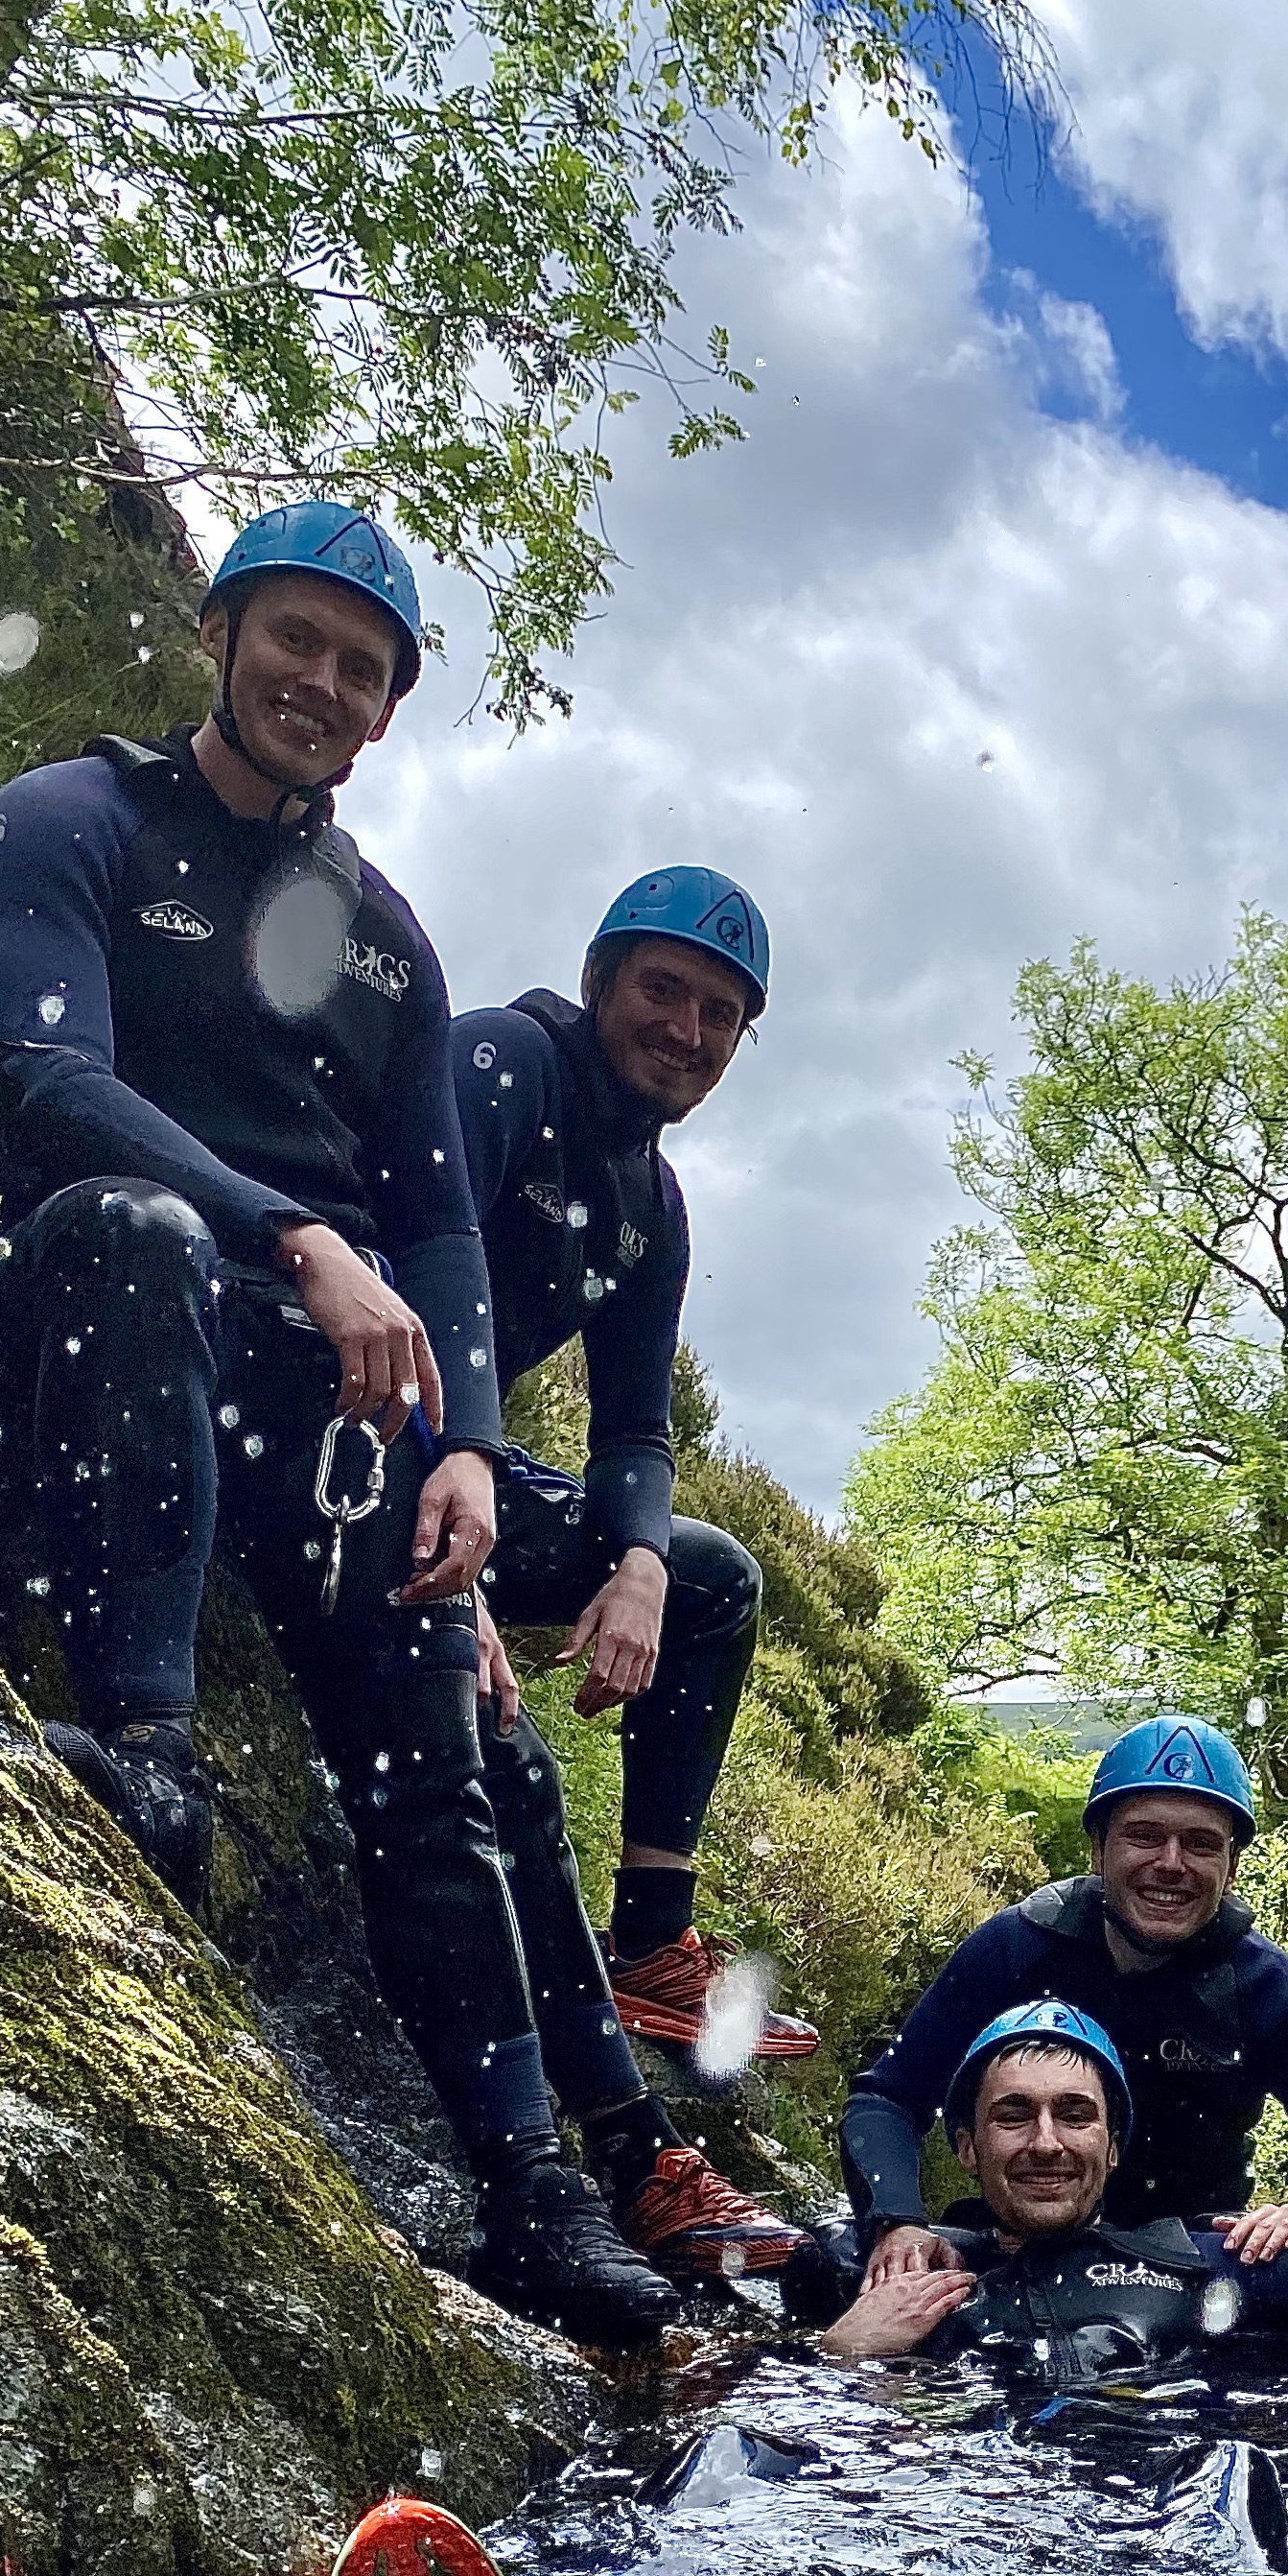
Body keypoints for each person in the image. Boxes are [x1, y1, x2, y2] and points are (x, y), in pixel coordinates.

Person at [0, 498, 772, 2346]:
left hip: (323, 1391)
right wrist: (291, 1232)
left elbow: (439, 1227)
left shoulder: (385, 948)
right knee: (148, 1232)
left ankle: (533, 2189)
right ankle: (144, 1741)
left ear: (389, 710)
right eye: (298, 641)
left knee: (444, 1764)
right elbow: (46, 1082)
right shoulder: (65, 821)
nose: (323, 684)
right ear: (227, 631)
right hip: (94, 1298)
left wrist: (468, 1446)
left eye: (362, 666)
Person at [452, 868, 818, 2094]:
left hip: (471, 1479)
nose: (688, 1032)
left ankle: (653, 1939)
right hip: (345, 1442)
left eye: (723, 1016)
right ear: (600, 978)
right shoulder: (504, 1067)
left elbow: (634, 1433)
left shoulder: (651, 1204)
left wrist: (644, 1563)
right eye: (664, 990)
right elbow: (395, 1273)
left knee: (716, 1576)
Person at [841, 1718, 1288, 2281]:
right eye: (1144, 1835)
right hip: (1018, 2253)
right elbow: (886, 2099)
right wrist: (897, 2224)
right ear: (1098, 1848)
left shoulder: (1264, 1987)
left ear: (1232, 1865)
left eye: (1200, 1844)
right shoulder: (1016, 1949)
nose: (1170, 1863)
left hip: (1193, 2267)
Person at [813, 2001, 1288, 2390]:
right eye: (1014, 2116)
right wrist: (840, 2351)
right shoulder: (880, 2272)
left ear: (1112, 2148)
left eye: (1075, 2116)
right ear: (968, 2148)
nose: (1046, 2143)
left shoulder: (1214, 2262)